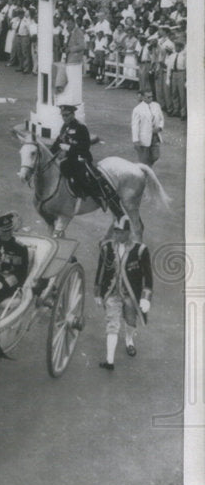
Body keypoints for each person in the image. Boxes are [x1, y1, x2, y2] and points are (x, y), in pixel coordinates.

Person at [94, 215, 153, 370]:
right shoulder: (106, 248)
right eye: (116, 231)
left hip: (130, 296)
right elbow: (100, 271)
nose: (117, 235)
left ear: (128, 232)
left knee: (130, 321)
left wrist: (146, 298)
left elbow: (148, 276)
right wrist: (97, 292)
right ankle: (110, 361)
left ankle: (129, 340)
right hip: (112, 294)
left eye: (121, 232)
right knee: (112, 324)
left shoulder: (140, 250)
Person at [50, 103, 115, 213]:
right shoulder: (65, 127)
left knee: (82, 177)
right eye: (63, 115)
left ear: (73, 114)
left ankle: (97, 196)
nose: (64, 118)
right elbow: (58, 142)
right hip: (68, 158)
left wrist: (69, 148)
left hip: (80, 157)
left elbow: (85, 147)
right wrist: (50, 154)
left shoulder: (81, 127)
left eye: (66, 115)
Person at [131, 90, 164, 166]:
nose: (151, 98)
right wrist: (135, 140)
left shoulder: (156, 106)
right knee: (143, 159)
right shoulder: (137, 109)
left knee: (156, 156)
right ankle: (145, 171)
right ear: (143, 97)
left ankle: (148, 167)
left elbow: (161, 119)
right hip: (143, 137)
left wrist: (159, 128)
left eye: (152, 96)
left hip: (155, 136)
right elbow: (135, 126)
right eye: (148, 97)